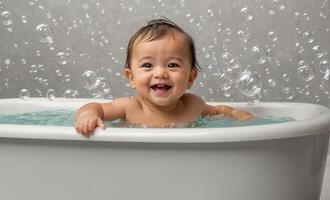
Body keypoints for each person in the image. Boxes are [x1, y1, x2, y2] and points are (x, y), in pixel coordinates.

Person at [75, 18, 253, 137]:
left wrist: (237, 114)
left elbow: (218, 111)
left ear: (191, 78)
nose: (160, 73)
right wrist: (88, 115)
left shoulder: (194, 105)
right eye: (147, 65)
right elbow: (95, 107)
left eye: (173, 65)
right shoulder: (129, 108)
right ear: (131, 77)